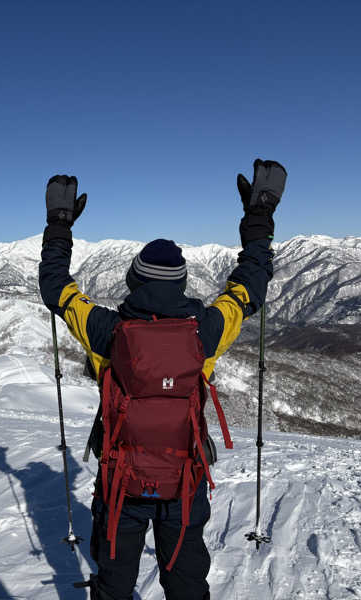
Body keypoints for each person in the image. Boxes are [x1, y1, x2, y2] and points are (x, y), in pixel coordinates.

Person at [38, 160, 286, 600]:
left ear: (133, 282)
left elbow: (56, 288)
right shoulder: (205, 331)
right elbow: (250, 288)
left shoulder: (107, 332)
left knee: (114, 583)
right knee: (186, 580)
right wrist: (259, 216)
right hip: (184, 481)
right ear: (183, 282)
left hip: (121, 482)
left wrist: (59, 226)